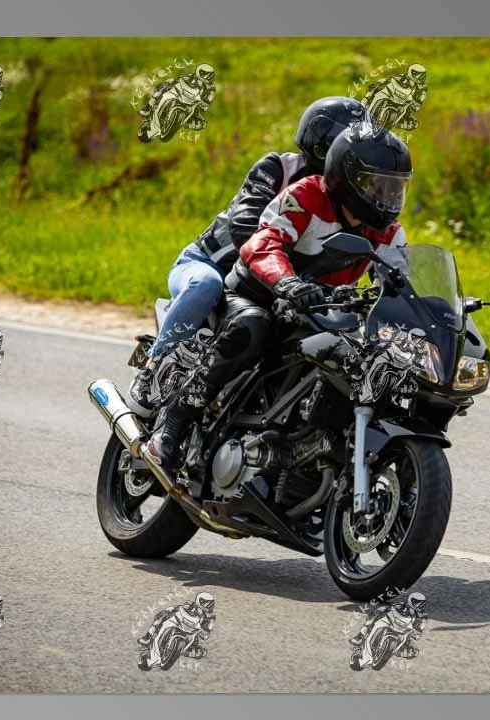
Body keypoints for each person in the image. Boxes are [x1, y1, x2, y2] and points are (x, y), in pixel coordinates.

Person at [143, 123, 412, 468]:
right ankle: (174, 421)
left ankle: (314, 439)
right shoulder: (306, 196)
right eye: (376, 184)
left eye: (395, 186)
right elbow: (263, 242)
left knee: (360, 355)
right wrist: (287, 282)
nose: (387, 196)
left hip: (318, 309)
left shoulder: (389, 232)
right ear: (346, 178)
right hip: (256, 293)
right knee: (252, 326)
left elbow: (400, 282)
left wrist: (422, 311)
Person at [126, 96, 368, 417]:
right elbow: (246, 227)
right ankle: (154, 369)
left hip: (269, 283)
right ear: (322, 145)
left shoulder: (347, 198)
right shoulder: (278, 168)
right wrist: (286, 276)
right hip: (213, 264)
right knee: (205, 286)